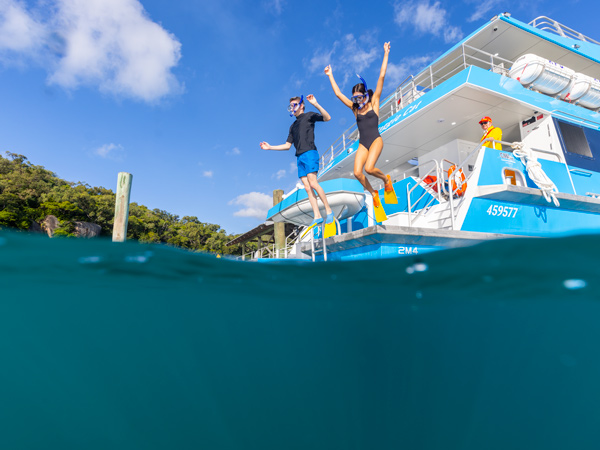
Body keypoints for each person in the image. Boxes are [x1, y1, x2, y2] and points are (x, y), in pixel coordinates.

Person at [324, 42, 396, 217]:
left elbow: (382, 75)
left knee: (370, 169)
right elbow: (338, 94)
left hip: (376, 140)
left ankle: (386, 179)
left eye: (359, 97)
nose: (356, 101)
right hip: (363, 143)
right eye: (354, 98)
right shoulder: (354, 109)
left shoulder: (374, 102)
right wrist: (330, 75)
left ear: (365, 95)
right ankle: (373, 192)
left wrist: (386, 53)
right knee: (357, 172)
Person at [260, 95, 333, 229]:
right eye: (290, 106)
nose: (291, 108)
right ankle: (317, 216)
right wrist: (270, 147)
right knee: (307, 188)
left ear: (301, 106)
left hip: (310, 152)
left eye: (294, 105)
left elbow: (327, 118)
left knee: (313, 183)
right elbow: (287, 145)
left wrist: (316, 104)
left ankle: (328, 211)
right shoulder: (292, 126)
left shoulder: (310, 115)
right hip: (299, 157)